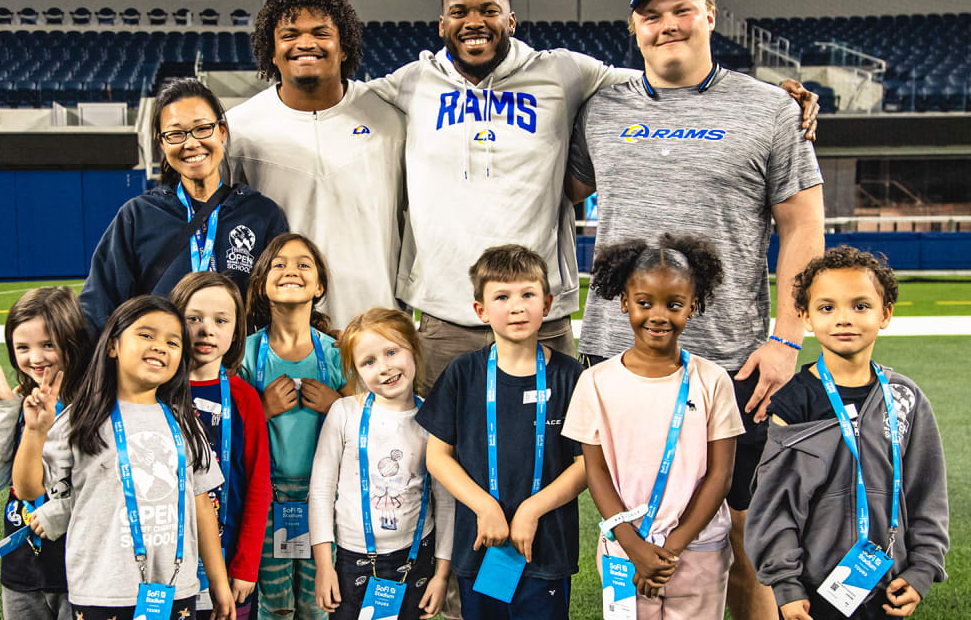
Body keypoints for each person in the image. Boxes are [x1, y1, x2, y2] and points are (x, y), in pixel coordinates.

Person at [367, 0, 820, 394]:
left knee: (552, 464)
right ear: (442, 24)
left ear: (512, 20)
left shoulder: (565, 73)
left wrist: (765, 97)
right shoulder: (410, 83)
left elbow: (667, 77)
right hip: (456, 321)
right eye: (459, 12)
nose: (475, 21)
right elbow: (339, 102)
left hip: (546, 320)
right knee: (447, 463)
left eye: (490, 10)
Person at [565, 0, 827, 620]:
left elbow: (803, 227)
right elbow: (545, 190)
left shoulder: (769, 108)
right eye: (651, 16)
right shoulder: (600, 107)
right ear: (634, 28)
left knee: (746, 533)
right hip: (615, 356)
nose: (667, 24)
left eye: (681, 9)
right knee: (624, 523)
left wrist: (787, 340)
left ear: (710, 15)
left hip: (732, 357)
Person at [746, 247, 949, 620]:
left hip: (890, 584)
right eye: (827, 308)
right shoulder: (794, 403)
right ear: (805, 316)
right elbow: (775, 506)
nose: (844, 319)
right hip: (812, 588)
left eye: (860, 306)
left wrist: (922, 569)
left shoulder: (904, 398)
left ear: (885, 313)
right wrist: (786, 584)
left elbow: (927, 493)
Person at [10, 295, 236, 620]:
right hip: (102, 591)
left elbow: (202, 505)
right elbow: (29, 489)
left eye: (172, 342)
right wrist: (34, 432)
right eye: (146, 335)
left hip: (176, 588)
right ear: (113, 346)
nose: (160, 346)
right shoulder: (80, 419)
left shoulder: (186, 422)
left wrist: (218, 582)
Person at [563, 234, 744, 620]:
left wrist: (674, 546)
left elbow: (721, 476)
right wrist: (634, 547)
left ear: (693, 306)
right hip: (624, 550)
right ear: (625, 302)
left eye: (674, 304)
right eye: (644, 303)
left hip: (698, 550)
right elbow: (595, 471)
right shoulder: (595, 381)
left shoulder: (712, 381)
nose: (658, 315)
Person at [417, 245, 587, 620]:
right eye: (502, 296)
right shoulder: (462, 374)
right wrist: (484, 506)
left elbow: (586, 464)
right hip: (482, 545)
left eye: (528, 294)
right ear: (480, 310)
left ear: (548, 303)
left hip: (546, 549)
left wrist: (532, 509)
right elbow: (437, 456)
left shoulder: (571, 377)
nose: (517, 306)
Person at [227, 0, 406, 329]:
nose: (305, 43)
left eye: (321, 32)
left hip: (378, 325)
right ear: (272, 50)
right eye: (290, 34)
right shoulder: (239, 129)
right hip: (282, 334)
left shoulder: (389, 119)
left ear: (344, 46)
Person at [80, 77, 288, 334]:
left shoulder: (261, 214)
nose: (191, 143)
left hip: (236, 370)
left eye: (202, 129)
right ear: (162, 142)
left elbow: (284, 305)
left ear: (221, 131)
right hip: (160, 367)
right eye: (176, 133)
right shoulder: (138, 216)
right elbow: (98, 306)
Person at [309, 308, 455, 620]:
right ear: (356, 371)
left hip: (416, 556)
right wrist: (323, 565)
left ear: (413, 348)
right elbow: (321, 491)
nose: (384, 368)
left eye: (391, 352)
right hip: (349, 558)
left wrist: (441, 575)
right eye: (368, 362)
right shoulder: (344, 413)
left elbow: (446, 502)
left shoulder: (433, 418)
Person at [240, 233, 353, 620]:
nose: (291, 270)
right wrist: (261, 408)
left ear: (319, 285)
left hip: (325, 499)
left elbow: (365, 424)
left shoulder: (338, 353)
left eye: (303, 264)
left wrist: (336, 404)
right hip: (266, 501)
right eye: (279, 264)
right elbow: (228, 432)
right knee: (274, 605)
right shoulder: (246, 354)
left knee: (319, 603)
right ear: (261, 284)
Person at [0, 286, 91, 620]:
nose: (35, 358)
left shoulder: (91, 408)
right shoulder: (22, 401)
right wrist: (3, 413)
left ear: (72, 341)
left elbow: (103, 485)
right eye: (22, 347)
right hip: (22, 570)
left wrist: (60, 511)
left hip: (79, 570)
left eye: (48, 345)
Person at [171, 272, 275, 620]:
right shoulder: (155, 391)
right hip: (166, 566)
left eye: (221, 320)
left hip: (230, 566)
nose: (207, 330)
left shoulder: (245, 398)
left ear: (236, 330)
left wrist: (246, 564)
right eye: (194, 318)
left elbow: (259, 487)